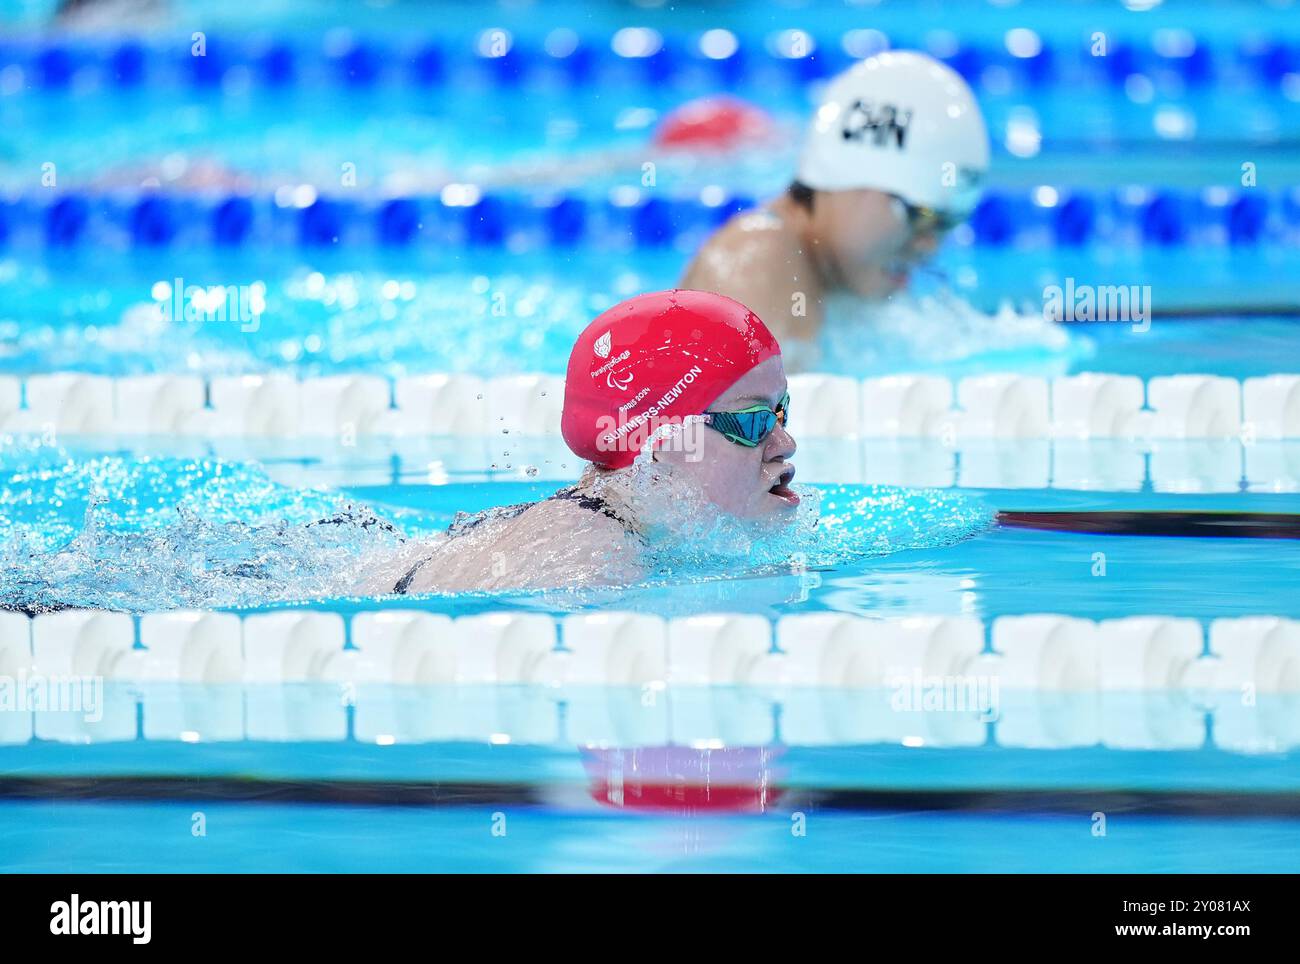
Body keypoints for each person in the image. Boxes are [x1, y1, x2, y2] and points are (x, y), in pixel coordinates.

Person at [360, 289, 798, 595]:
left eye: (781, 411)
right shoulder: (591, 559)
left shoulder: (626, 533)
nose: (785, 442)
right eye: (753, 420)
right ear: (659, 446)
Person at [679, 50, 990, 369]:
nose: (930, 246)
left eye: (948, 224)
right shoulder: (761, 257)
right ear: (853, 175)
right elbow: (747, 417)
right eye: (919, 215)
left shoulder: (827, 279)